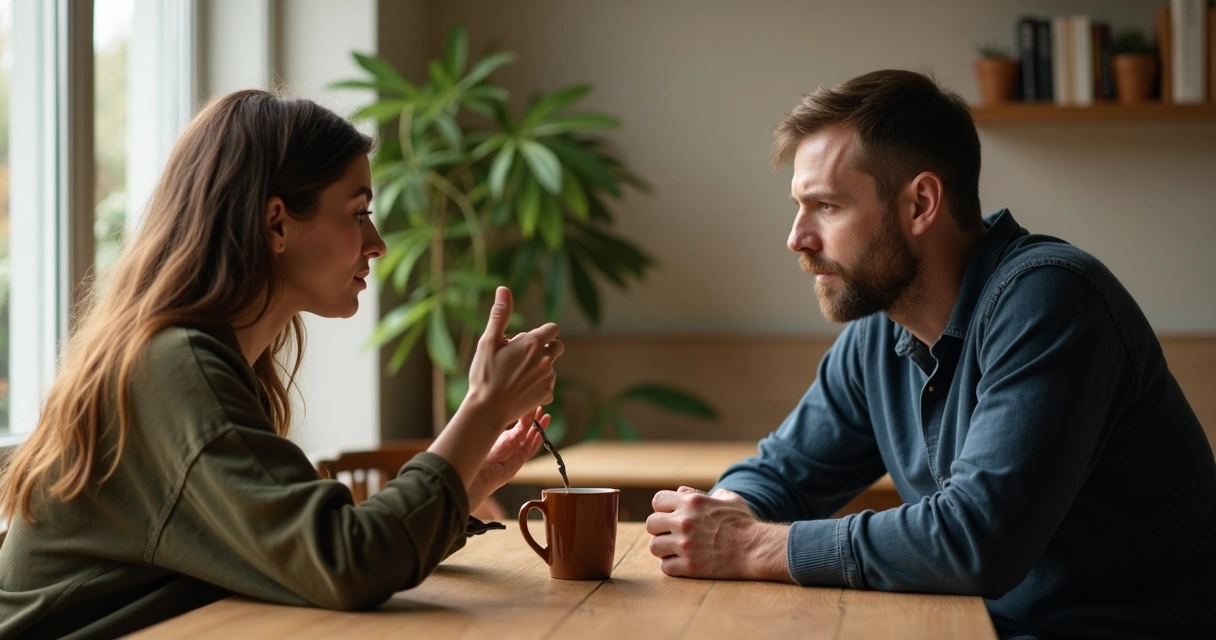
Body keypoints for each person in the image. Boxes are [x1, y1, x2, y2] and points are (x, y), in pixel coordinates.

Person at [645, 70, 1216, 639]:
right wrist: (719, 514)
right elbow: (784, 472)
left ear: (921, 203)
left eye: (826, 206)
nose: (798, 237)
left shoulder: (1052, 300)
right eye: (799, 205)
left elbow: (975, 541)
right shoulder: (881, 332)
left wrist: (749, 545)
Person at [0, 90, 564, 639]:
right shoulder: (174, 366)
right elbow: (350, 561)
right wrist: (483, 406)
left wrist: (468, 480)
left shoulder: (202, 356)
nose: (377, 243)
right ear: (275, 223)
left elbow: (302, 561)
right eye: (358, 212)